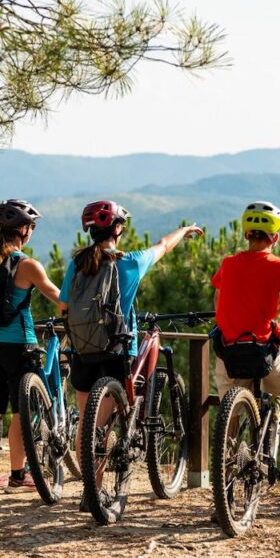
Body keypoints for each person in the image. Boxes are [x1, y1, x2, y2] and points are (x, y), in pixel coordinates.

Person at [60, 200, 203, 505]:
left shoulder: (77, 263)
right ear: (118, 228)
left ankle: (91, 490)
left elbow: (63, 306)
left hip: (82, 349)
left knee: (88, 422)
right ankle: (101, 492)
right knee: (108, 423)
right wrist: (186, 229)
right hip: (116, 352)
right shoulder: (131, 262)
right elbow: (164, 246)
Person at [211, 201, 280, 491]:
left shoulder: (228, 264)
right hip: (262, 353)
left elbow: (218, 302)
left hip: (228, 352)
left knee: (231, 413)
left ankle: (225, 485)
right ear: (274, 237)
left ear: (246, 234)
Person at [0, 199, 63, 492]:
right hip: (20, 346)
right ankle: (17, 475)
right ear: (23, 230)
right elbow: (58, 298)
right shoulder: (27, 265)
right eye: (32, 226)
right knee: (21, 413)